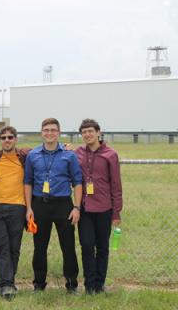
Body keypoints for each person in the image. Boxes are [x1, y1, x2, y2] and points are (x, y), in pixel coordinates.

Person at [24, 118, 83, 293]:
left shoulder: (69, 155)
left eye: (53, 130)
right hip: (40, 205)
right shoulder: (32, 155)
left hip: (63, 205)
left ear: (58, 132)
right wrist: (29, 208)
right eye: (46, 130)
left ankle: (72, 284)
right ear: (41, 132)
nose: (49, 133)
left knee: (68, 247)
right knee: (39, 247)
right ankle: (39, 284)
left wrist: (77, 207)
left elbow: (77, 182)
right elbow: (27, 182)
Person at [76, 119, 123, 294]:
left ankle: (99, 284)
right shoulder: (78, 153)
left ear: (98, 133)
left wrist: (116, 212)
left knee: (102, 247)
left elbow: (116, 185)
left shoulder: (110, 154)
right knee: (87, 245)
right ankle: (89, 285)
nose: (87, 134)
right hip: (85, 208)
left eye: (90, 131)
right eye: (84, 132)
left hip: (104, 208)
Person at [0, 126, 31, 298]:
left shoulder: (24, 157)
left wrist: (63, 146)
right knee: (1, 246)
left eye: (10, 137)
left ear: (15, 139)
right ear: (0, 140)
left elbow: (44, 149)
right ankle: (7, 284)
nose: (7, 140)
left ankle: (6, 282)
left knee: (14, 248)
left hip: (18, 207)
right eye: (4, 137)